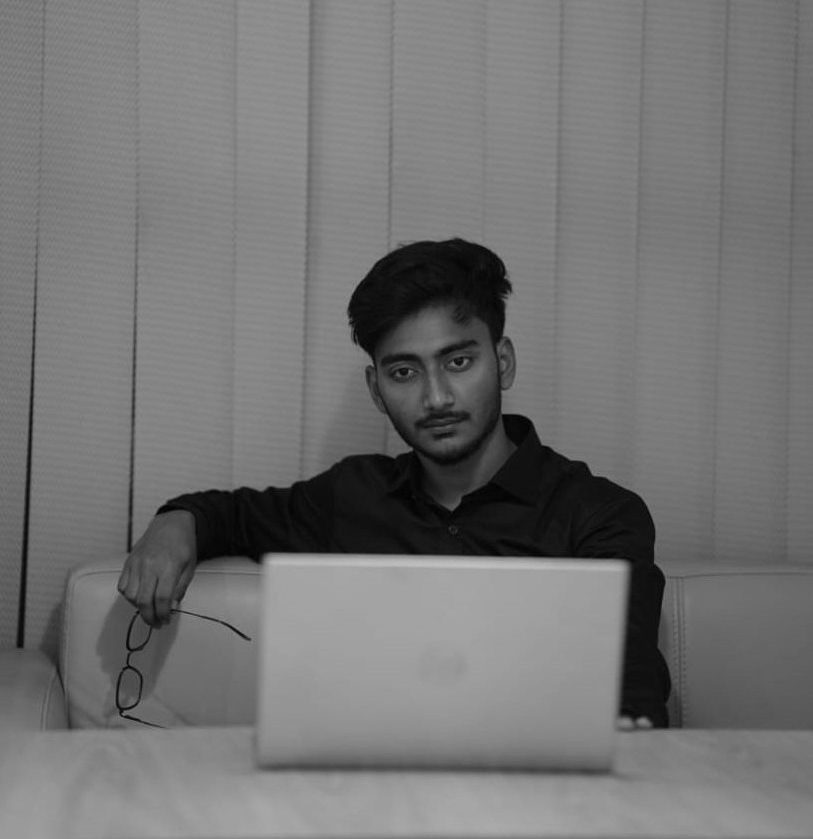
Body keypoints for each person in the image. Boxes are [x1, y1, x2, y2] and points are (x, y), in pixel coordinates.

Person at [118, 238, 671, 728]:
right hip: (371, 789)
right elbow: (230, 515)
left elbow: (633, 706)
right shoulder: (352, 495)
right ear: (376, 389)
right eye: (404, 372)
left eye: (458, 362)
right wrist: (175, 523)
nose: (436, 398)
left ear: (502, 362)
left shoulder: (597, 514)